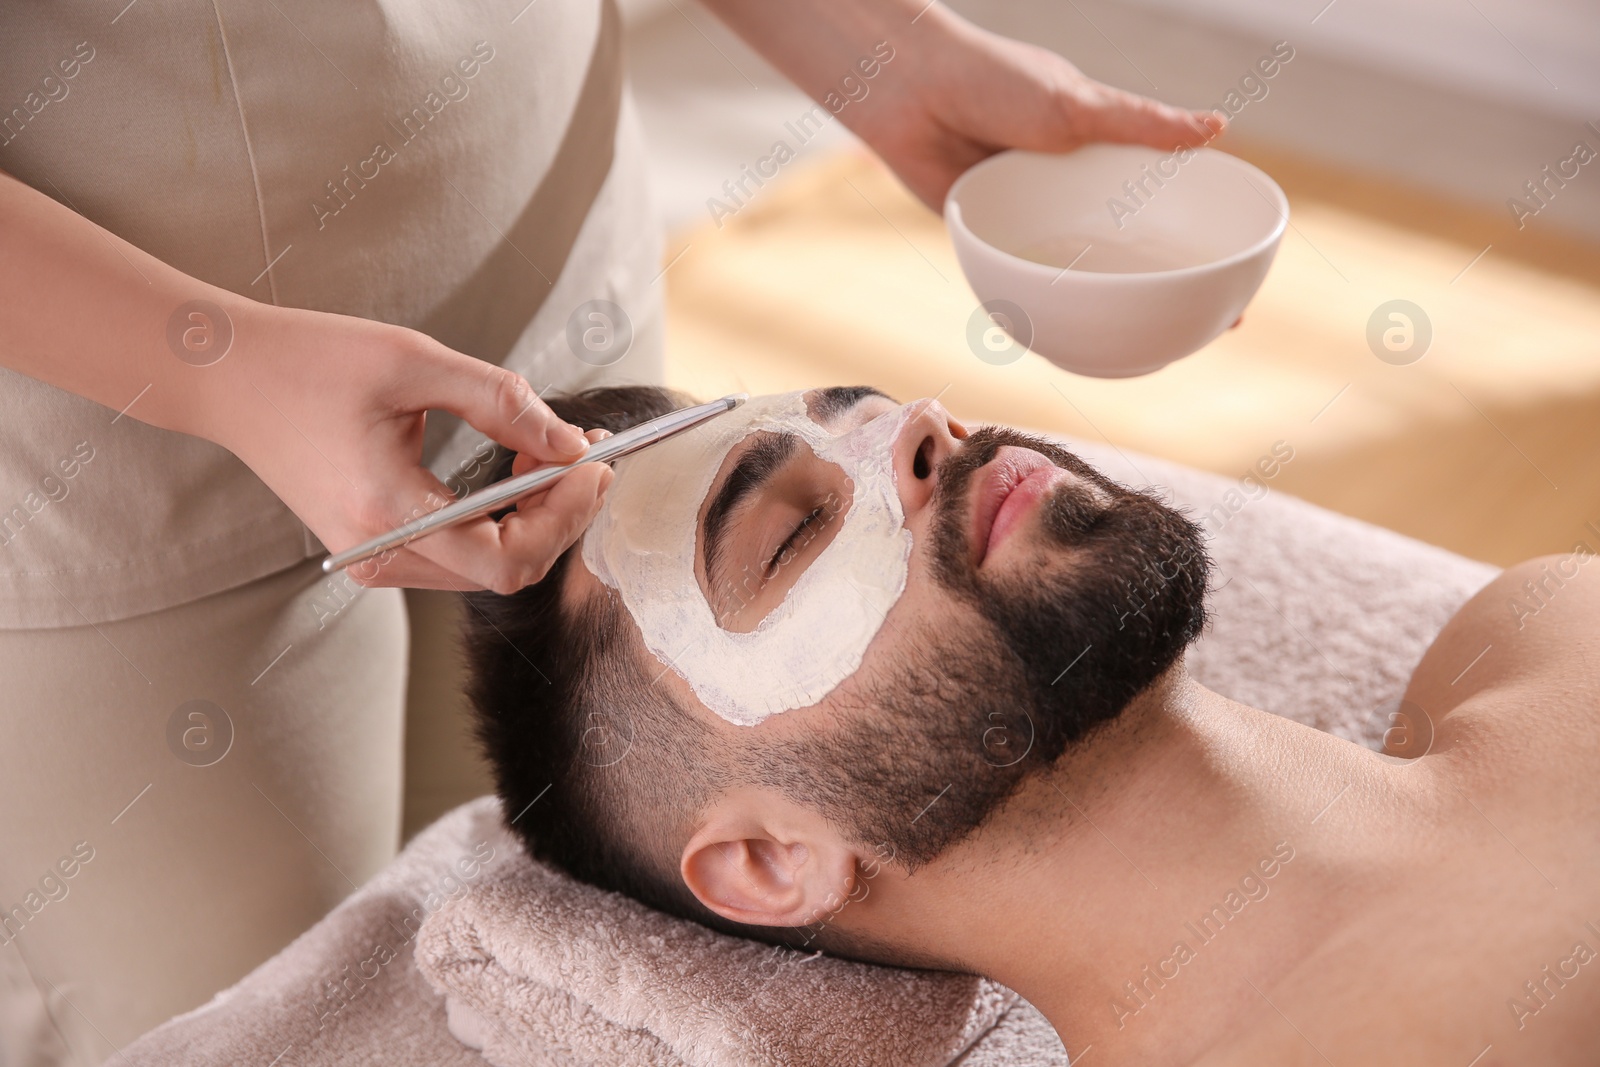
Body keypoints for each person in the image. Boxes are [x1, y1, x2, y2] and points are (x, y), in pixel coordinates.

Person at [0, 3, 1224, 1059]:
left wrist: (881, 47)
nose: (923, 423)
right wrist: (214, 370)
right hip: (110, 439)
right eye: (788, 539)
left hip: (538, 206)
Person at [465, 383, 1600, 1064]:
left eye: (865, 409)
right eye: (789, 534)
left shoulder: (1547, 631)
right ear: (773, 858)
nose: (921, 426)